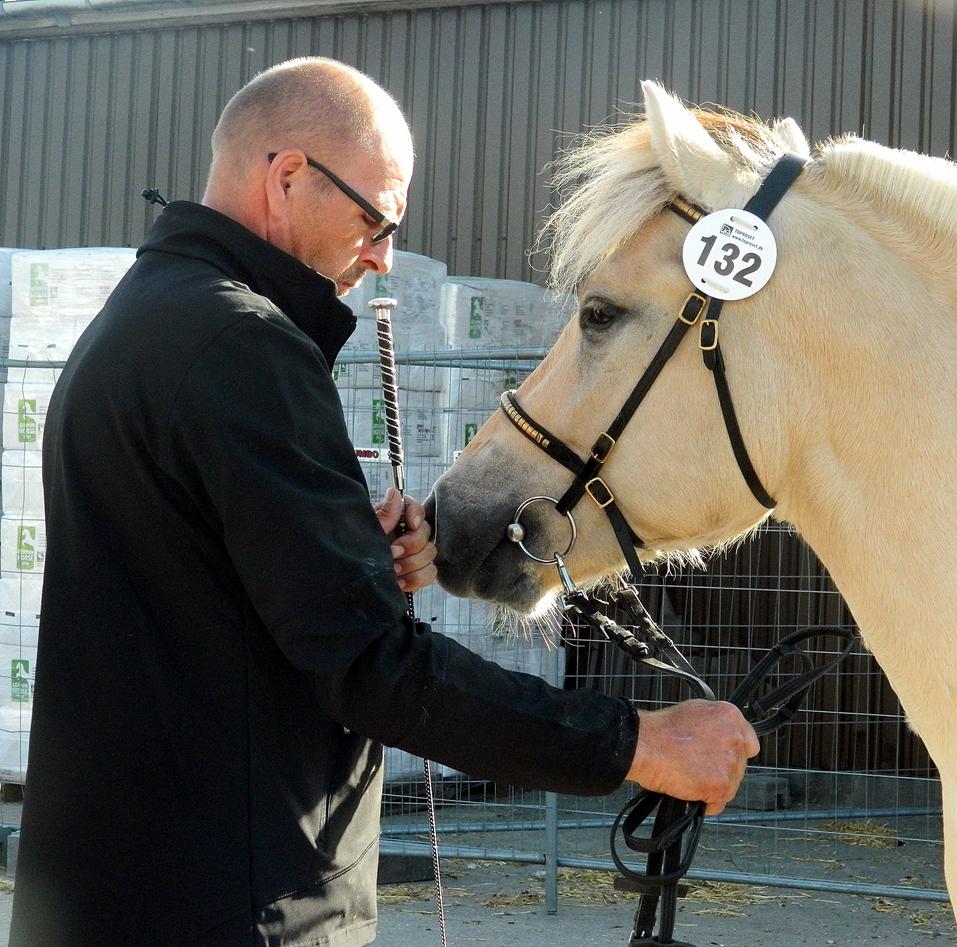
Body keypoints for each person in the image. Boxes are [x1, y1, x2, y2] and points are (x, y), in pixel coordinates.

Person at [8, 58, 759, 946]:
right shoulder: (244, 346)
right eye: (374, 217)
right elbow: (370, 668)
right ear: (286, 176)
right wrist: (634, 740)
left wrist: (346, 554)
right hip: (235, 898)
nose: (382, 252)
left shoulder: (142, 320)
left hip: (120, 885)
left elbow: (193, 582)